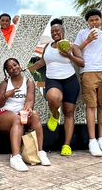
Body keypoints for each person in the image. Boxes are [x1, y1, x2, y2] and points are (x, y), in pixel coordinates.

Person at [28, 18, 84, 156]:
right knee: (53, 99)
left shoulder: (72, 46)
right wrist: (26, 69)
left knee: (69, 112)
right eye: (52, 31)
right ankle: (55, 114)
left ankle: (66, 145)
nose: (55, 33)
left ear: (63, 31)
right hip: (53, 79)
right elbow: (42, 62)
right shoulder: (47, 47)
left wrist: (69, 55)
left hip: (70, 80)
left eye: (57, 30)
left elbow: (81, 63)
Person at [0, 58, 51, 171]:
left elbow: (30, 101)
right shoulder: (5, 83)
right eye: (10, 68)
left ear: (19, 65)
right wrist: (6, 95)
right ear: (7, 71)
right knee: (17, 119)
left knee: (34, 114)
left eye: (15, 65)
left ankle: (40, 152)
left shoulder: (28, 82)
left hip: (20, 113)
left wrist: (26, 111)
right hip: (3, 114)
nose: (13, 68)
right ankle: (15, 157)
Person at [74, 8, 102, 157]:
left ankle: (101, 139)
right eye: (91, 20)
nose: (94, 22)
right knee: (91, 105)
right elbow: (75, 50)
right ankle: (92, 140)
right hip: (88, 71)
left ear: (100, 20)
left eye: (97, 19)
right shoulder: (82, 33)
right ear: (87, 22)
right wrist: (88, 40)